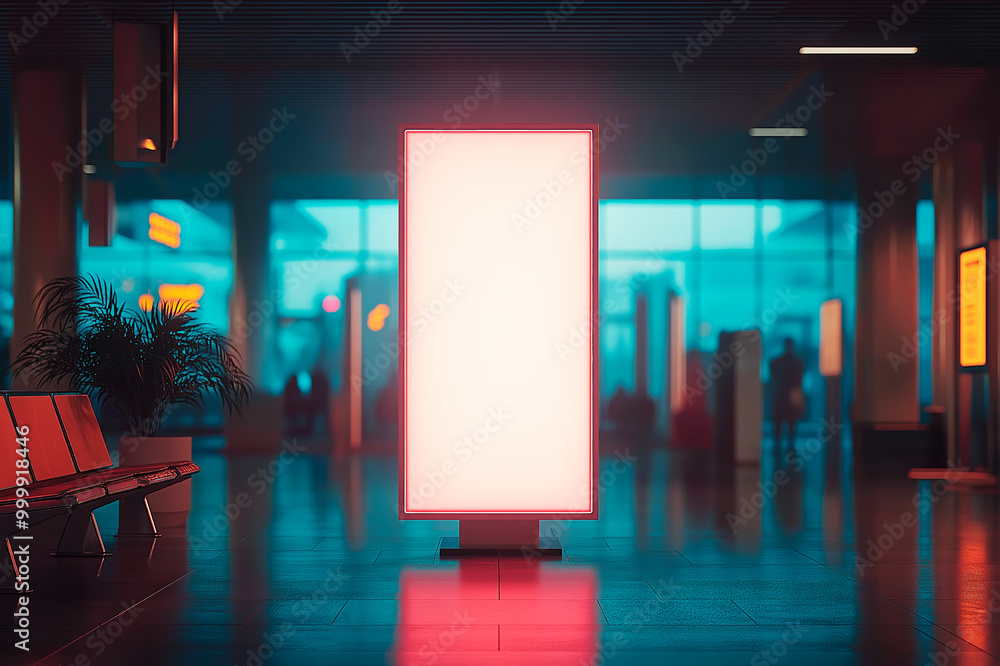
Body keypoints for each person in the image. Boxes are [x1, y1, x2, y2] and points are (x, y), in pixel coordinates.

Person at [770, 337, 805, 447]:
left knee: (785, 424)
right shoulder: (798, 362)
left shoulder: (776, 362)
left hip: (781, 396)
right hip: (788, 396)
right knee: (789, 424)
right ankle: (787, 446)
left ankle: (781, 445)